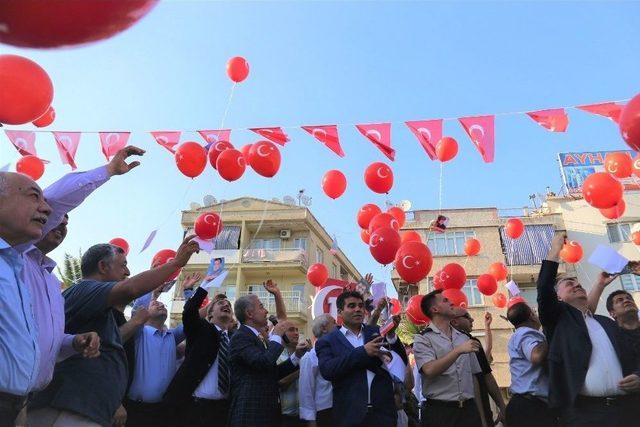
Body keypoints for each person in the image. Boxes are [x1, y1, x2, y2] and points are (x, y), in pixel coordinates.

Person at [28, 236, 199, 427]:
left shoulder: (102, 312)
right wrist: (176, 263)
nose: (128, 271)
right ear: (103, 267)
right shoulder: (85, 289)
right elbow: (131, 289)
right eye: (123, 265)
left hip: (87, 409)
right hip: (68, 409)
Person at [537, 232, 640, 427]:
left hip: (627, 412)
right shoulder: (558, 322)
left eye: (578, 283)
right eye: (569, 284)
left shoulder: (607, 323)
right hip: (585, 415)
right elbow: (543, 288)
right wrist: (555, 250)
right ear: (558, 297)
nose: (577, 285)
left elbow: (635, 354)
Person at [316, 290, 407, 427]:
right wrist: (363, 352)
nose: (358, 309)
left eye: (360, 305)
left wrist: (392, 336)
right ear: (340, 312)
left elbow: (401, 361)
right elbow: (327, 370)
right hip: (349, 416)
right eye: (351, 306)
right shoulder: (328, 341)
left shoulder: (377, 332)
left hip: (383, 415)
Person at [163, 275, 234, 427]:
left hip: (222, 411)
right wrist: (205, 285)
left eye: (228, 304)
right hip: (193, 409)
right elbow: (189, 311)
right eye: (220, 303)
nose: (225, 304)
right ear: (210, 314)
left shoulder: (234, 341)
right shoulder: (201, 329)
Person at [228, 293, 308, 427]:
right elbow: (263, 362)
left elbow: (271, 372)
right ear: (249, 313)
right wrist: (276, 335)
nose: (266, 311)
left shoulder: (256, 338)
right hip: (250, 413)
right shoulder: (240, 337)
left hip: (266, 414)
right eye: (261, 307)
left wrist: (297, 356)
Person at [413, 290, 483, 427]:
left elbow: (474, 377)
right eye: (445, 301)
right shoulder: (422, 339)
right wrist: (458, 350)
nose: (451, 302)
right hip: (440, 413)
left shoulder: (464, 337)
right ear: (435, 309)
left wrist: (480, 415)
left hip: (469, 411)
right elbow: (429, 370)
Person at [123, 298, 184, 427]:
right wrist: (156, 291)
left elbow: (192, 319)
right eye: (155, 303)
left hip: (163, 411)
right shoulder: (138, 333)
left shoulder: (172, 336)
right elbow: (138, 308)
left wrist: (196, 290)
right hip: (137, 411)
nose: (161, 304)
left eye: (163, 304)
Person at [450, 307, 506, 425]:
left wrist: (502, 406)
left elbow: (486, 375)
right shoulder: (449, 347)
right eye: (467, 316)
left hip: (483, 412)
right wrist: (482, 420)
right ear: (455, 321)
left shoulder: (473, 342)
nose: (472, 319)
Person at [505, 302, 556, 427]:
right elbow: (536, 355)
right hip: (531, 409)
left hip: (524, 406)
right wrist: (551, 335)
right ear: (532, 316)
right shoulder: (526, 333)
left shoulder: (517, 335)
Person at [299, 315, 336, 427]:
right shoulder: (309, 357)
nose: (337, 326)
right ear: (324, 328)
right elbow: (306, 390)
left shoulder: (337, 352)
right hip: (324, 412)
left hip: (341, 409)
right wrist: (311, 420)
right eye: (333, 323)